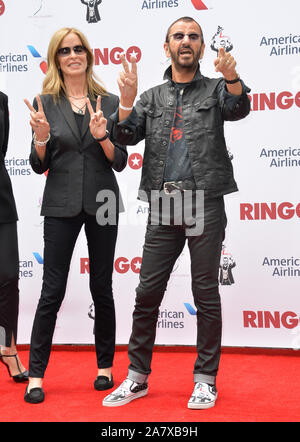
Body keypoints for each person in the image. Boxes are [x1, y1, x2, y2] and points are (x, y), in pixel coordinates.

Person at [102, 16, 251, 409]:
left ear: (202, 47)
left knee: (205, 294)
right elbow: (124, 137)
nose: (186, 41)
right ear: (166, 46)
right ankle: (137, 378)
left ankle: (205, 380)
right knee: (147, 292)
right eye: (178, 36)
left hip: (204, 200)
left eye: (193, 36)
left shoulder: (218, 88)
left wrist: (233, 77)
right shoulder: (151, 97)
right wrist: (128, 101)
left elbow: (238, 108)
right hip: (164, 203)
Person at [23, 27, 127, 404]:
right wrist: (40, 138)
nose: (73, 55)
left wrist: (102, 136)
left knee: (102, 287)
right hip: (61, 203)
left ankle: (104, 368)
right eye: (65, 50)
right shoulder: (43, 102)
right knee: (52, 290)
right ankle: (36, 374)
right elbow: (38, 165)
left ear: (88, 54)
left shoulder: (111, 101)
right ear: (56, 59)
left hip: (102, 201)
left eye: (78, 48)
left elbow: (121, 161)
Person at [0, 91, 28, 382]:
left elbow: (2, 149)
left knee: (8, 277)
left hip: (1, 199)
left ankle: (7, 348)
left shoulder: (2, 99)